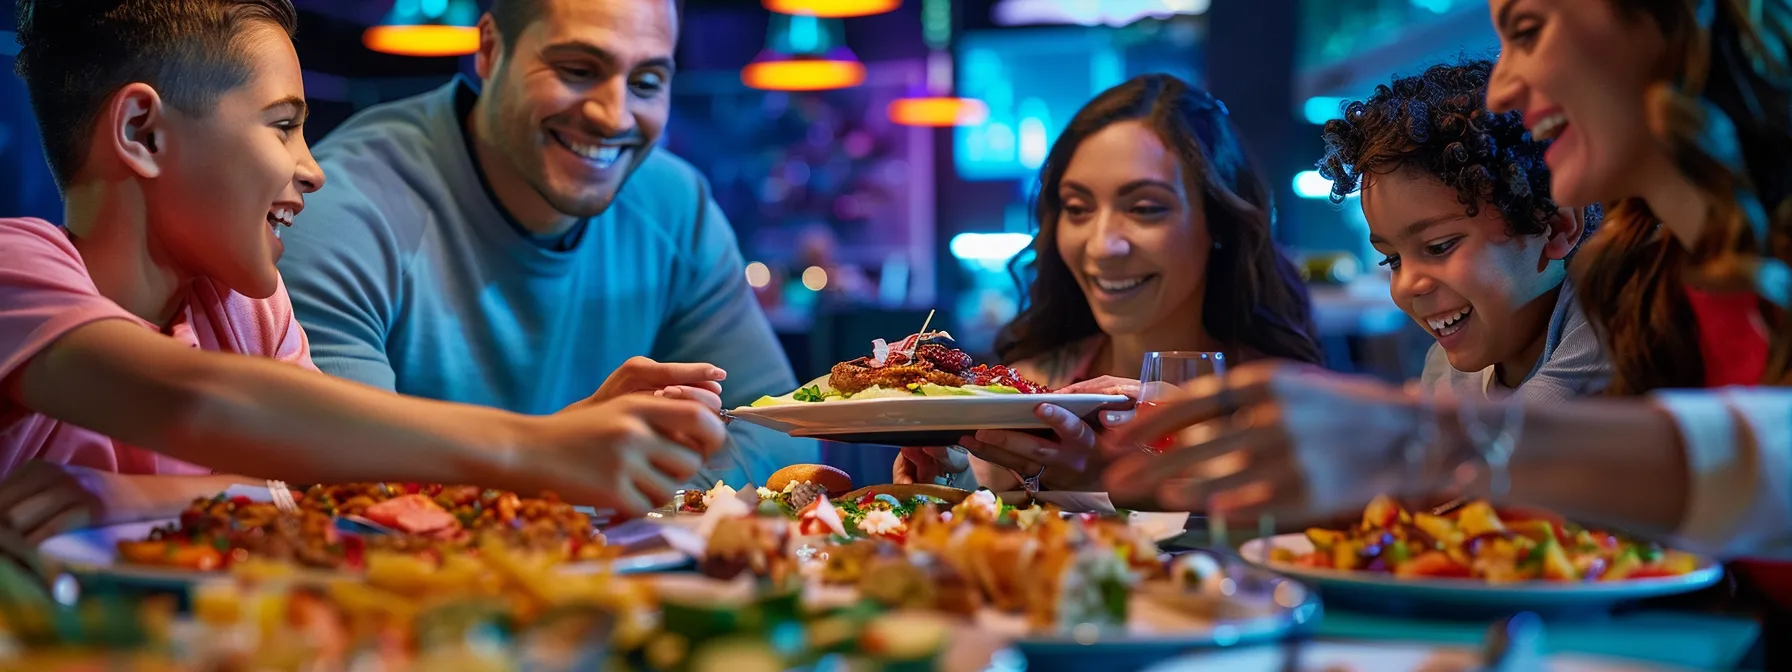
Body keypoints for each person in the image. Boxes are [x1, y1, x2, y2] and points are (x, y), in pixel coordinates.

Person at [0, 0, 726, 556]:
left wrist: (128, 496)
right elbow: (194, 403)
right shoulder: (15, 270)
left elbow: (323, 483)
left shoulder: (251, 307)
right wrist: (542, 450)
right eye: (283, 125)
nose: (313, 168)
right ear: (143, 134)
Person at [1102, 0, 1792, 561]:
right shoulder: (1665, 276)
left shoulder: (1621, 302)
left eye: (1528, 29)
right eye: (1392, 258)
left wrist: (1416, 440)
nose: (1504, 88)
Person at [275, 0, 815, 488]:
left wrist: (619, 492)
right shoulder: (340, 206)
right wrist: (563, 465)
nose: (614, 116)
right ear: (489, 51)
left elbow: (782, 433)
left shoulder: (675, 204)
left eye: (647, 82)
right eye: (578, 71)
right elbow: (355, 483)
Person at [894, 74, 1323, 494]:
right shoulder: (1025, 392)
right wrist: (950, 482)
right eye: (1078, 208)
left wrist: (1105, 489)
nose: (1101, 246)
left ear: (1218, 223)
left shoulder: (1284, 404)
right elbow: (980, 521)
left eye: (1144, 208)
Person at [1317, 59, 1608, 403]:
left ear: (1557, 227)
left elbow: (1521, 438)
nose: (1408, 285)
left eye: (1439, 247)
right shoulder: (1445, 371)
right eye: (1392, 260)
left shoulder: (1609, 323)